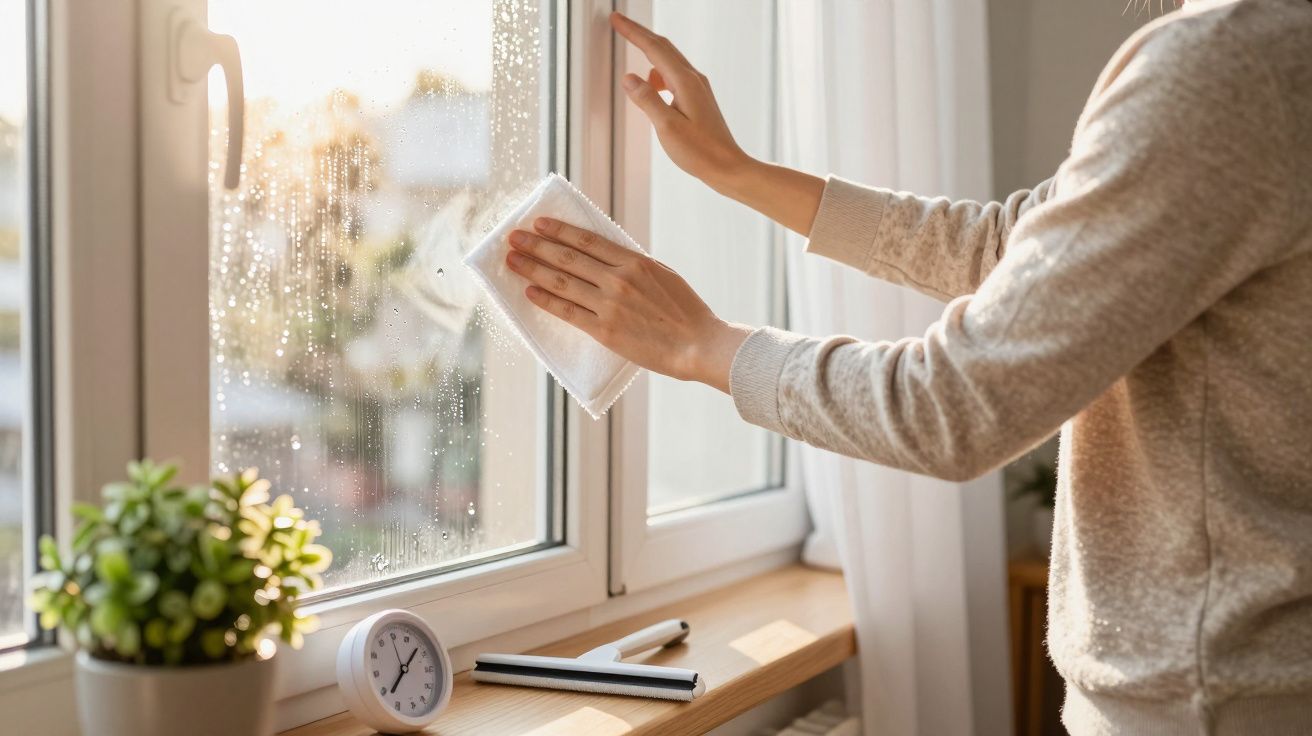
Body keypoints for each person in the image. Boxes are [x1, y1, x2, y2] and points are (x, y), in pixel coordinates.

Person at [503, 4, 1311, 734]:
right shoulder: (1272, 56)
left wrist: (700, 345)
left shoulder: (1230, 64)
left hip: (1217, 702)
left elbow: (957, 405)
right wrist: (738, 172)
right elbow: (1016, 245)